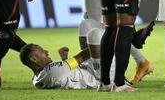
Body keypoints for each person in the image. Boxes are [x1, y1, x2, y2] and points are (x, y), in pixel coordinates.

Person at [19, 19, 153, 89]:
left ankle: (128, 39)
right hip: (102, 76)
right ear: (34, 59)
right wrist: (105, 44)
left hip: (89, 68)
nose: (46, 52)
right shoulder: (52, 72)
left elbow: (67, 72)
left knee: (86, 24)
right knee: (95, 35)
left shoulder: (37, 77)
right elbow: (82, 56)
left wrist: (64, 59)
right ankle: (129, 39)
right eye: (42, 51)